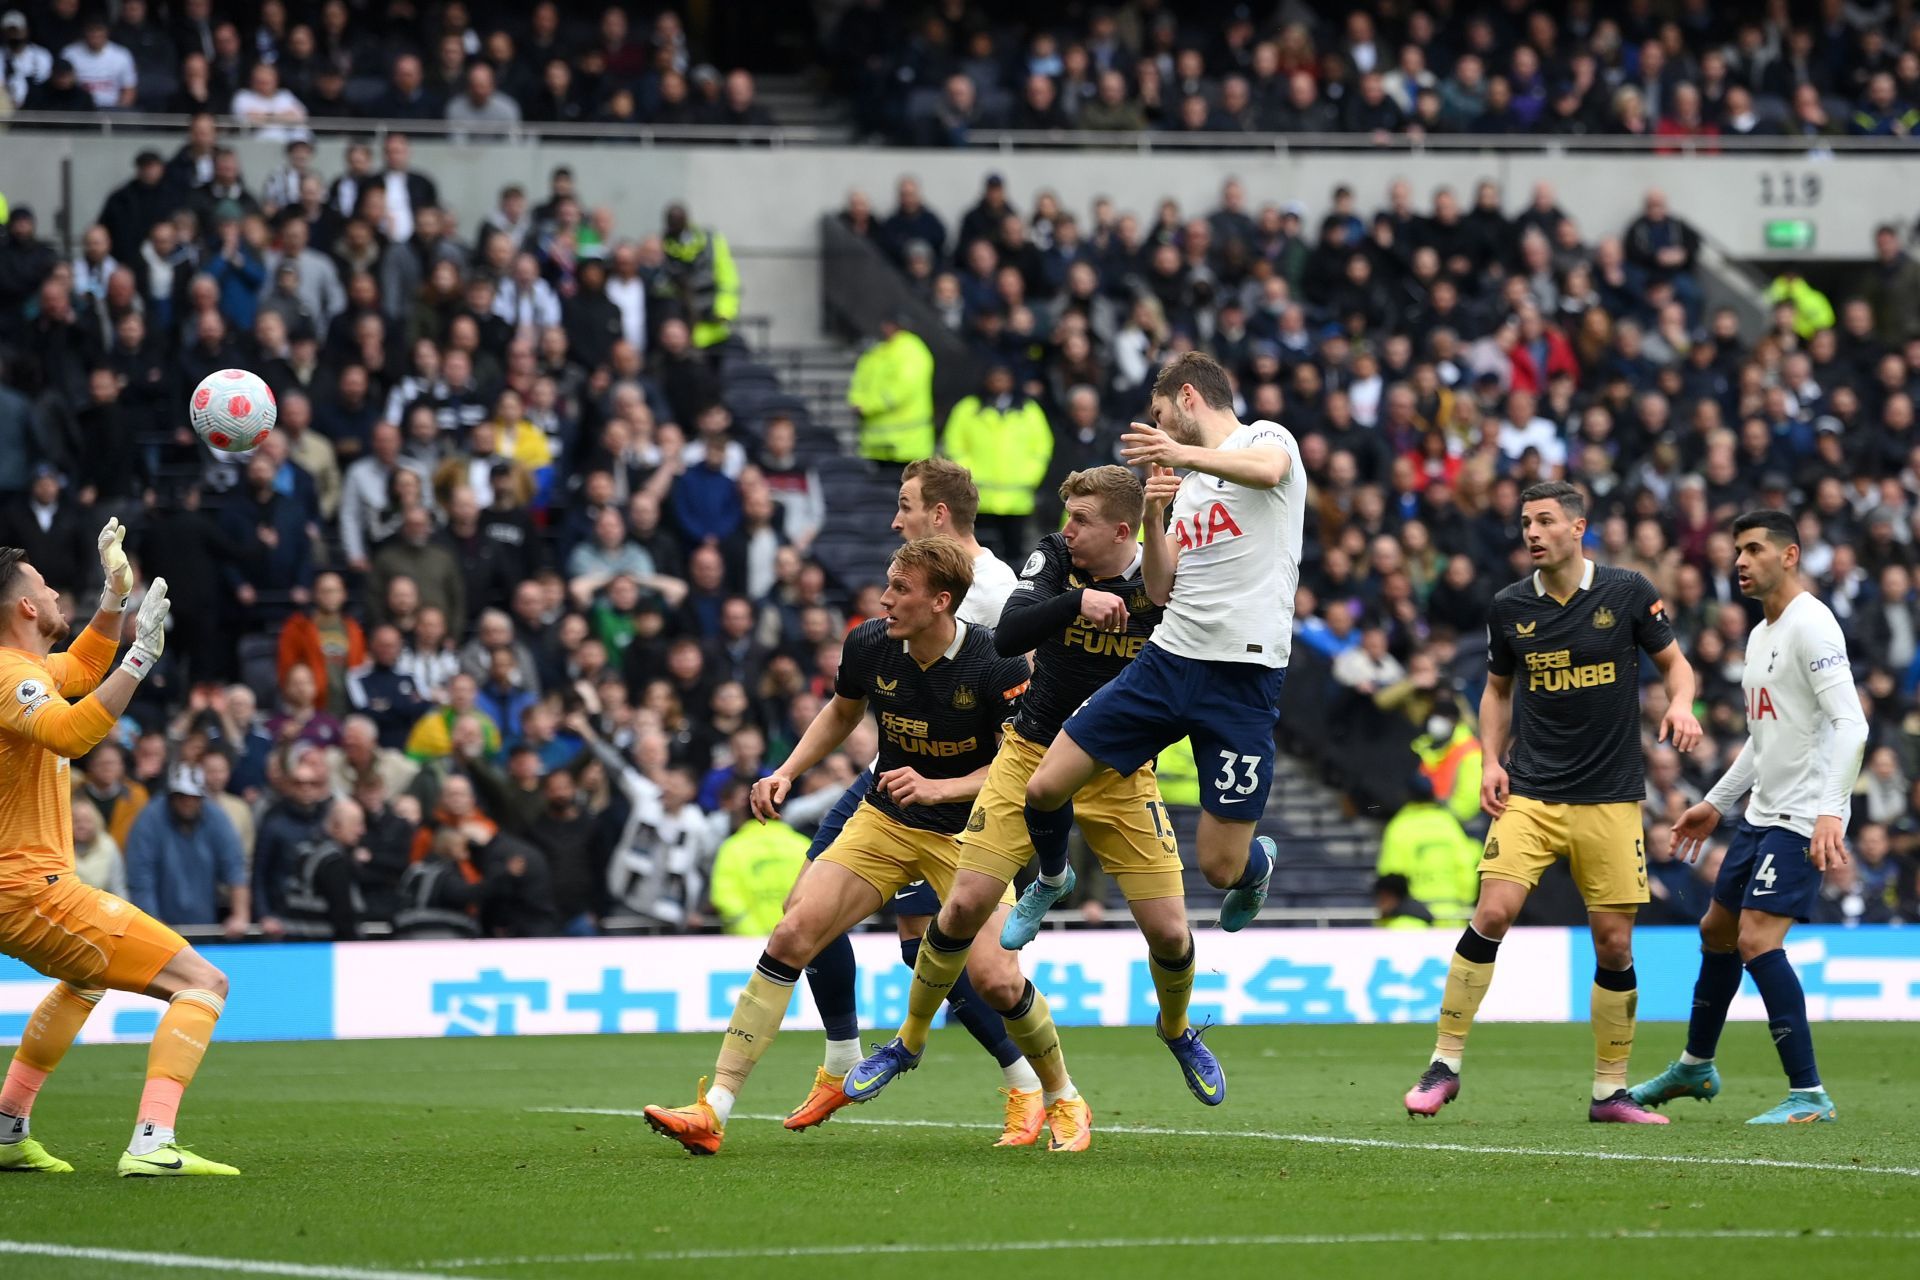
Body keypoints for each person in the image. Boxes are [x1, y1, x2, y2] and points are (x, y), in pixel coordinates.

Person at [642, 538, 1085, 1156]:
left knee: (995, 979)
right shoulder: (870, 642)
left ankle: (1061, 1095)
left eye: (901, 589)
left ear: (941, 601)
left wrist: (939, 787)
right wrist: (787, 771)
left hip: (970, 831)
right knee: (794, 933)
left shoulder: (997, 663)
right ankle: (714, 1108)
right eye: (887, 583)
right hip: (886, 820)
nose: (885, 598)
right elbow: (842, 710)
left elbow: (1022, 764)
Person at [849, 464, 1223, 1113]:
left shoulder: (1168, 580)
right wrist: (1077, 602)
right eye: (1067, 516)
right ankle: (907, 1042)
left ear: (1122, 530)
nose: (1067, 529)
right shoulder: (1055, 557)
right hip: (1029, 752)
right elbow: (1013, 632)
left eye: (1081, 520)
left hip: (1119, 772)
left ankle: (1174, 1028)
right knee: (963, 908)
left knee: (1171, 936)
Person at [1403, 480, 1702, 1124]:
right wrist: (1490, 758)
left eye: (1543, 522)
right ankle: (1444, 1064)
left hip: (1611, 797)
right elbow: (1495, 690)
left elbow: (1679, 667)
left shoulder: (1626, 592)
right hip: (1532, 793)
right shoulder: (1510, 607)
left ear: (1577, 528)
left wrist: (1680, 702)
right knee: (1493, 911)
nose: (1531, 533)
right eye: (1524, 523)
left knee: (1615, 944)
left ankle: (1609, 1092)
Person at [1014, 353, 1298, 983]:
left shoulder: (1266, 439)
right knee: (1044, 786)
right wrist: (1151, 514)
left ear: (1188, 396)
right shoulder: (1186, 485)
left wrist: (1181, 455)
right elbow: (1164, 590)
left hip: (1243, 677)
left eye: (1161, 414)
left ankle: (1258, 868)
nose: (1157, 427)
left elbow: (1266, 471)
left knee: (1220, 869)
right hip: (1169, 659)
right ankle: (1053, 879)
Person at [780, 459, 1033, 1142]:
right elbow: (855, 696)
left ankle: (1025, 1082)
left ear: (940, 516)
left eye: (906, 506)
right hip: (891, 782)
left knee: (930, 951)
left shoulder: (998, 596)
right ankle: (840, 1061)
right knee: (803, 913)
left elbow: (1023, 715)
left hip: (958, 799)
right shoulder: (910, 587)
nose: (896, 520)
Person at [0, 532, 241, 1177]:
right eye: (44, 586)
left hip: (18, 889)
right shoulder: (10, 676)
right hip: (30, 888)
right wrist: (139, 660)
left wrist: (113, 600)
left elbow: (78, 674)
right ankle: (152, 1142)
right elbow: (72, 733)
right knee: (202, 982)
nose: (54, 591)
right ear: (25, 609)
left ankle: (6, 1131)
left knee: (84, 979)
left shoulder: (22, 669)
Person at [1630, 512, 1866, 1125]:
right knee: (1716, 930)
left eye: (1754, 549)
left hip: (1800, 817)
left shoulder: (1813, 626)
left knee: (1759, 939)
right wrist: (1715, 802)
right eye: (1736, 550)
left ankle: (1809, 1094)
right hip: (1761, 814)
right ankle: (1694, 1065)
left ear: (1789, 556)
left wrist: (1830, 812)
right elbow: (1765, 743)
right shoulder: (1762, 635)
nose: (1739, 560)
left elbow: (1852, 725)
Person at [1375, 774, 1481, 924]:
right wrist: (1464, 902)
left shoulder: (1400, 826)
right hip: (1451, 915)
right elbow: (1466, 866)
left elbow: (1392, 872)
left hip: (1414, 917)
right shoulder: (1449, 823)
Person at [846, 312, 935, 470]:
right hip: (876, 445)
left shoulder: (912, 351)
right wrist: (856, 401)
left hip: (905, 445)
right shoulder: (877, 352)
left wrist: (866, 405)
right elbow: (860, 381)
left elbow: (901, 390)